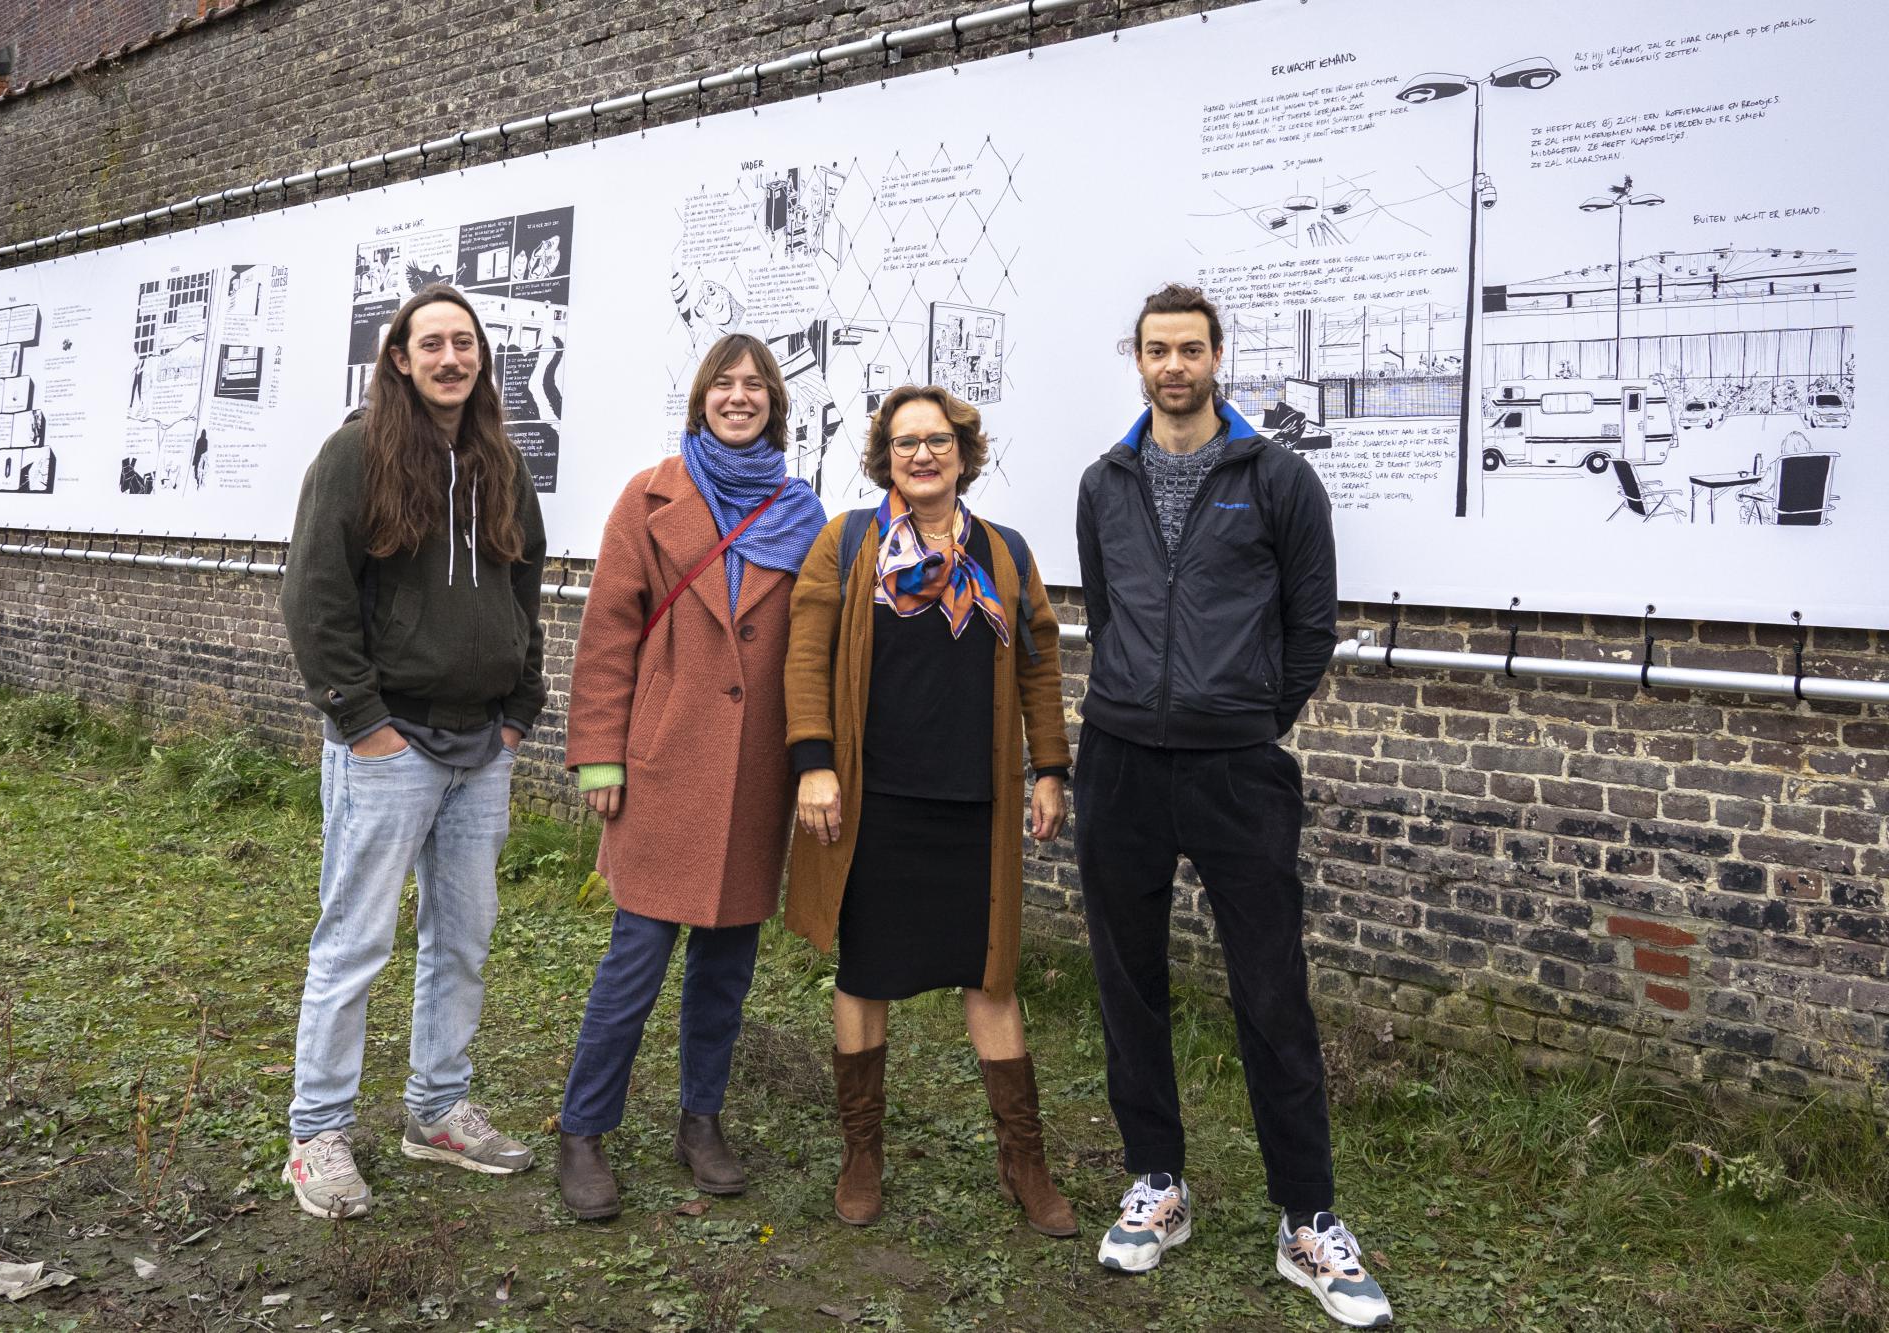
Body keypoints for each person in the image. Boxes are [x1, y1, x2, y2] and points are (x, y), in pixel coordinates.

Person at [1074, 283, 1391, 1326]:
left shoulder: (1279, 479)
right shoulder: (1103, 481)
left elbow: (1309, 627)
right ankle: (1157, 1182)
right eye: (1156, 350)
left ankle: (1307, 1218)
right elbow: (1109, 607)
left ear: (1218, 358)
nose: (1173, 367)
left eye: (1190, 350)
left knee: (1269, 990)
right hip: (1119, 759)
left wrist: (1247, 718)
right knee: (1128, 981)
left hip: (1234, 768)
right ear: (1137, 360)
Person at [279, 284, 548, 1220]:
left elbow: (527, 585)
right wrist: (363, 721)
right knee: (355, 941)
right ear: (400, 357)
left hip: (484, 744)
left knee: (463, 938)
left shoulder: (501, 462)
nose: (449, 358)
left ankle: (435, 1110)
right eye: (430, 343)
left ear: (480, 358)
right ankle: (318, 1133)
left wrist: (521, 704)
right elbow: (314, 595)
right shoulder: (357, 453)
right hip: (388, 744)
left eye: (463, 343)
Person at [786, 384, 1076, 1236]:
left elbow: (1039, 664)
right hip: (873, 801)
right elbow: (805, 657)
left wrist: (1049, 769)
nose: (923, 454)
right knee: (865, 973)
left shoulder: (1004, 552)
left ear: (963, 451)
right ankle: (862, 1152)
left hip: (972, 804)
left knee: (990, 975)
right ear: (886, 456)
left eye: (938, 440)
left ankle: (1025, 1162)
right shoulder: (848, 546)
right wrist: (813, 764)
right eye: (906, 441)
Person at [558, 333, 826, 1220]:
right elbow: (606, 633)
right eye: (725, 383)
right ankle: (583, 1129)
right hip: (665, 761)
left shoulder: (801, 513)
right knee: (634, 959)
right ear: (702, 398)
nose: (740, 396)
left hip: (752, 773)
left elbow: (810, 650)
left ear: (774, 404)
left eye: (755, 385)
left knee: (727, 967)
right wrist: (601, 753)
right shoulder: (651, 495)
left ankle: (700, 1122)